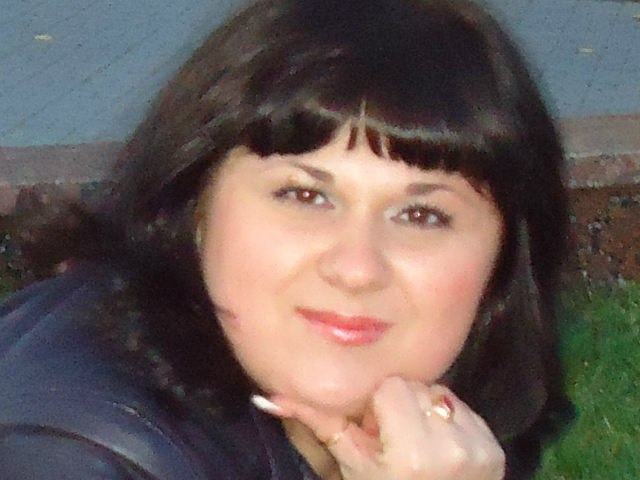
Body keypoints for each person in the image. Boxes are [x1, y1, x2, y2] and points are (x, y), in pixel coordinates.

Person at [0, 0, 571, 478]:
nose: (356, 267)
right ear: (194, 207)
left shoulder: (445, 437)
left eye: (421, 215)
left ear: (505, 256)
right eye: (305, 196)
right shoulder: (77, 449)